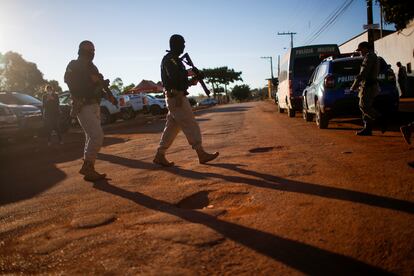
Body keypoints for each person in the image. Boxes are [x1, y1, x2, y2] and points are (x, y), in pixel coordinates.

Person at [153, 34, 219, 167]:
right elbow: (176, 79)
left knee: (172, 128)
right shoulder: (170, 60)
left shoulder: (176, 60)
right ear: (175, 44)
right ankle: (201, 153)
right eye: (182, 43)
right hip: (176, 97)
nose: (184, 46)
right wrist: (190, 75)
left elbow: (181, 81)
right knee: (190, 124)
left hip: (176, 96)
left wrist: (194, 79)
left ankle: (160, 155)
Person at [64, 40, 117, 181]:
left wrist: (108, 94)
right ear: (81, 50)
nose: (91, 52)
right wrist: (90, 82)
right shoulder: (74, 65)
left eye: (93, 50)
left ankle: (89, 168)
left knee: (90, 136)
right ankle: (88, 166)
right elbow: (70, 82)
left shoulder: (92, 66)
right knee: (97, 136)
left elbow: (98, 85)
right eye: (89, 50)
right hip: (83, 105)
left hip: (94, 105)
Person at [350, 41, 383, 136]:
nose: (360, 52)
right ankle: (367, 128)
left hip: (368, 85)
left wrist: (353, 86)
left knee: (363, 106)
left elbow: (363, 73)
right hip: (369, 85)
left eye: (360, 50)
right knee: (365, 107)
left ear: (365, 48)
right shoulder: (373, 56)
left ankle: (380, 120)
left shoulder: (369, 57)